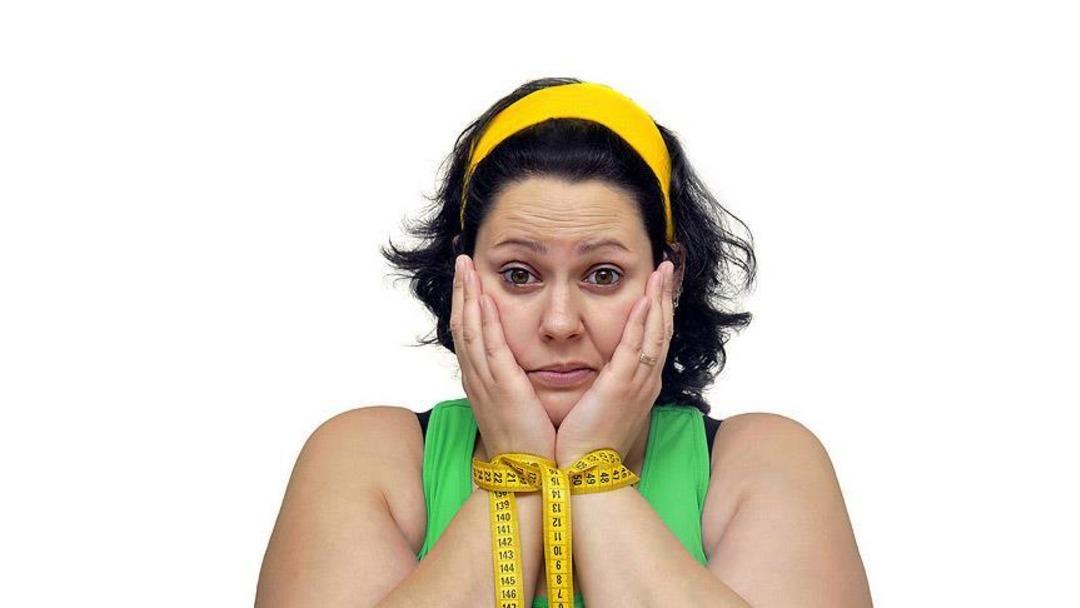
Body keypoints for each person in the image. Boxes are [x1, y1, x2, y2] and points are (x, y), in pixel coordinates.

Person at [255, 78, 872, 608]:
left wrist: (590, 469)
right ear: (463, 274)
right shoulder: (366, 457)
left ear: (671, 276)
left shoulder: (764, 462)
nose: (559, 323)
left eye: (602, 275)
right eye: (518, 274)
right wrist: (519, 467)